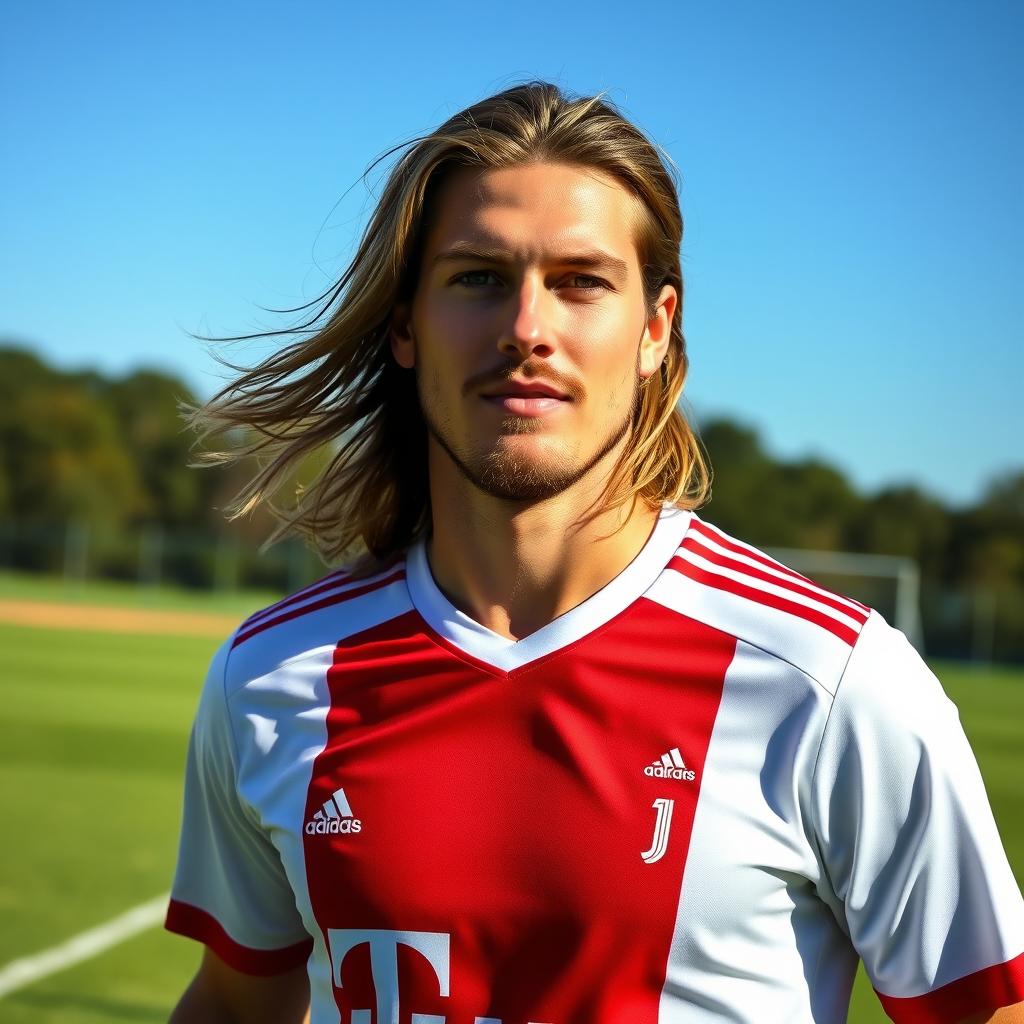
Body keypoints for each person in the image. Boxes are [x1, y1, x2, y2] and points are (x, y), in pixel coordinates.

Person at [165, 82, 1024, 1024]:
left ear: (655, 329)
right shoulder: (275, 676)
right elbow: (238, 1005)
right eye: (478, 277)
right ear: (406, 326)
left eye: (582, 281)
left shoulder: (829, 685)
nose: (527, 328)